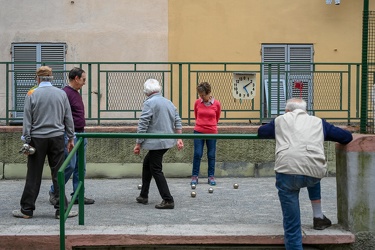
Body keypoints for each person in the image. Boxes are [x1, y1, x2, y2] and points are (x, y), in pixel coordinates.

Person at [257, 98, 353, 250]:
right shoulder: (318, 122)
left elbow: (261, 132)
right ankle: (318, 216)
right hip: (314, 174)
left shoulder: (281, 120)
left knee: (292, 225)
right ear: (305, 110)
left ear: (287, 111)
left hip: (287, 172)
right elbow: (346, 137)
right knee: (310, 167)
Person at [12, 66, 78, 219]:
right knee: (58, 174)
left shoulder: (31, 94)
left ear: (38, 78)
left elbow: (27, 119)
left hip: (37, 139)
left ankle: (26, 210)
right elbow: (68, 117)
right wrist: (70, 137)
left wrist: (26, 139)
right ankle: (61, 210)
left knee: (33, 174)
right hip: (56, 137)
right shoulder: (61, 94)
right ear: (51, 78)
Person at [133, 79, 184, 209]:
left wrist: (138, 143)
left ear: (146, 92)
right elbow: (177, 120)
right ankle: (143, 195)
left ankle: (168, 199)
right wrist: (179, 138)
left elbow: (143, 124)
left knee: (156, 169)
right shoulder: (168, 102)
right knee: (147, 164)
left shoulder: (149, 103)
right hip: (167, 141)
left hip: (156, 142)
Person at [48, 67, 95, 205]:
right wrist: (68, 135)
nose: (85, 83)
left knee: (81, 166)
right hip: (70, 134)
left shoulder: (75, 93)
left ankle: (78, 194)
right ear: (76, 78)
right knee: (69, 165)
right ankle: (54, 191)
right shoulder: (65, 93)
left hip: (81, 133)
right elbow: (61, 114)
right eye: (83, 79)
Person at [191, 82, 221, 186]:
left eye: (203, 95)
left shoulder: (216, 104)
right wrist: (201, 125)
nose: (202, 97)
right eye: (200, 95)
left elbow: (217, 117)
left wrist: (210, 126)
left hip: (212, 132)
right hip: (198, 130)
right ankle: (194, 176)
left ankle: (211, 176)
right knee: (197, 154)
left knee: (211, 155)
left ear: (208, 93)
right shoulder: (197, 103)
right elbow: (196, 115)